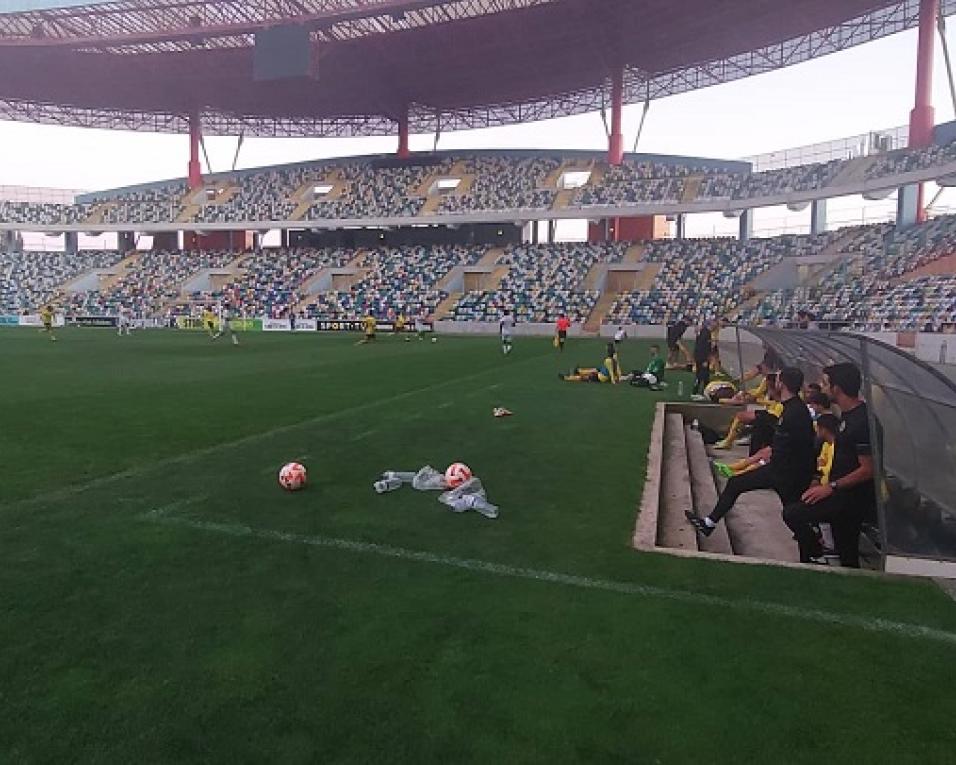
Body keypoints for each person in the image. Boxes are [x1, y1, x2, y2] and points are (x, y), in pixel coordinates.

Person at [688, 366, 816, 537]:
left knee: (790, 513)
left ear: (782, 384)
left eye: (777, 378)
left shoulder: (795, 412)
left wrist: (768, 458)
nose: (774, 381)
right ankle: (811, 548)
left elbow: (801, 446)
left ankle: (812, 545)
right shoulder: (793, 408)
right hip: (785, 470)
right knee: (791, 514)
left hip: (786, 472)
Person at [782, 363, 877, 567]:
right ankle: (821, 561)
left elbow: (868, 469)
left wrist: (831, 487)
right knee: (846, 551)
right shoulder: (848, 415)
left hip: (851, 499)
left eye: (826, 383)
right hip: (839, 493)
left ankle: (815, 554)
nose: (822, 388)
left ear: (837, 388)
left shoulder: (863, 422)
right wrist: (819, 480)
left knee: (793, 513)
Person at [692, 319, 713, 396]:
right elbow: (702, 347)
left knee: (705, 376)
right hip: (702, 358)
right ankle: (695, 392)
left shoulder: (703, 332)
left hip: (699, 357)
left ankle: (705, 391)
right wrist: (705, 359)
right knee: (701, 375)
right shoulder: (706, 333)